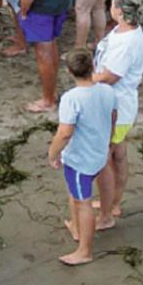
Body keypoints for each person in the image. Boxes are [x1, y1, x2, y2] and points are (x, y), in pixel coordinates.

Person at [47, 48, 117, 266]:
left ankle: (84, 250)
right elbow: (113, 115)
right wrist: (109, 138)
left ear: (69, 72)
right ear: (93, 67)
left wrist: (52, 153)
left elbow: (65, 132)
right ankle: (83, 225)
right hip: (99, 150)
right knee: (84, 189)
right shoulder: (107, 91)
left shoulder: (71, 98)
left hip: (81, 159)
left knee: (82, 201)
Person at [91, 0, 143, 227]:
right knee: (119, 155)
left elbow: (110, 76)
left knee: (105, 160)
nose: (109, 7)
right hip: (117, 106)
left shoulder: (127, 42)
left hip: (116, 108)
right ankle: (112, 202)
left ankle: (106, 214)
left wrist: (87, 78)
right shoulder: (123, 31)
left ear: (121, 12)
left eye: (112, 4)